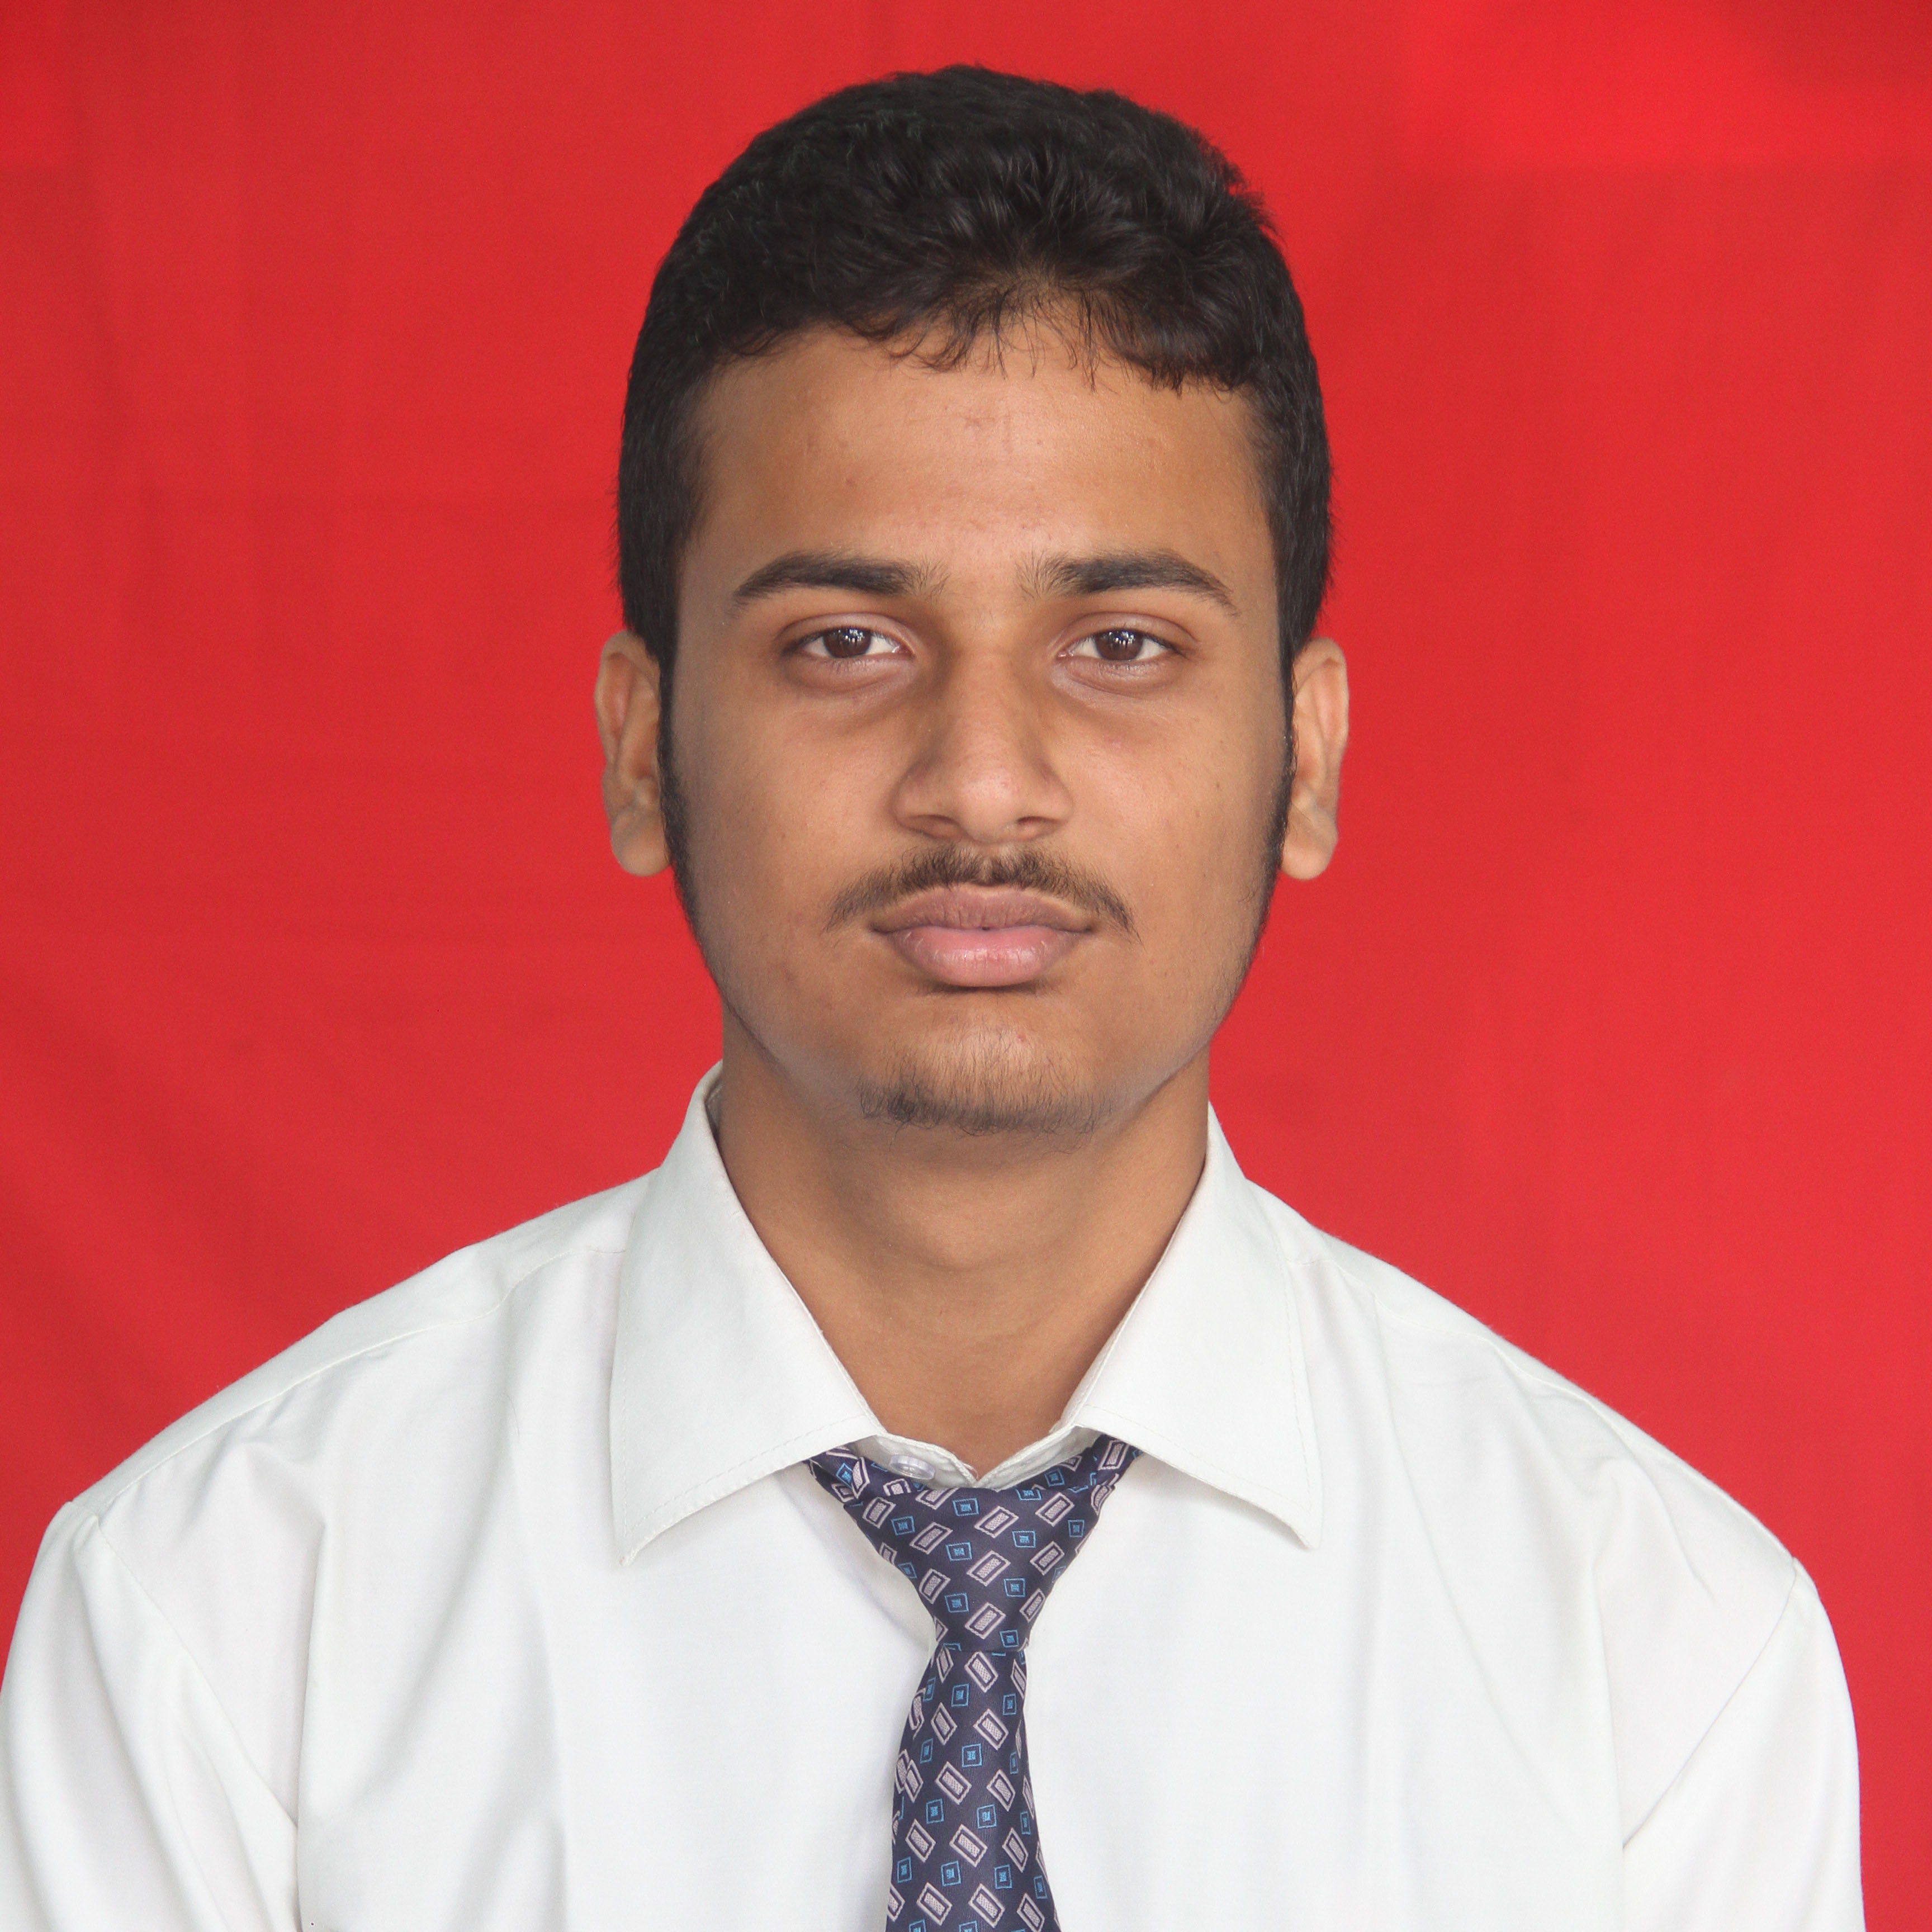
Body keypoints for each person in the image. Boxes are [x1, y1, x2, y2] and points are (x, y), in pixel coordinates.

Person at [0, 65, 1861, 1932]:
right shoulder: (229, 1621)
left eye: (1120, 643)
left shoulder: (1654, 1661)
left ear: (1306, 759)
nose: (981, 779)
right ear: (644, 749)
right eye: (846, 642)